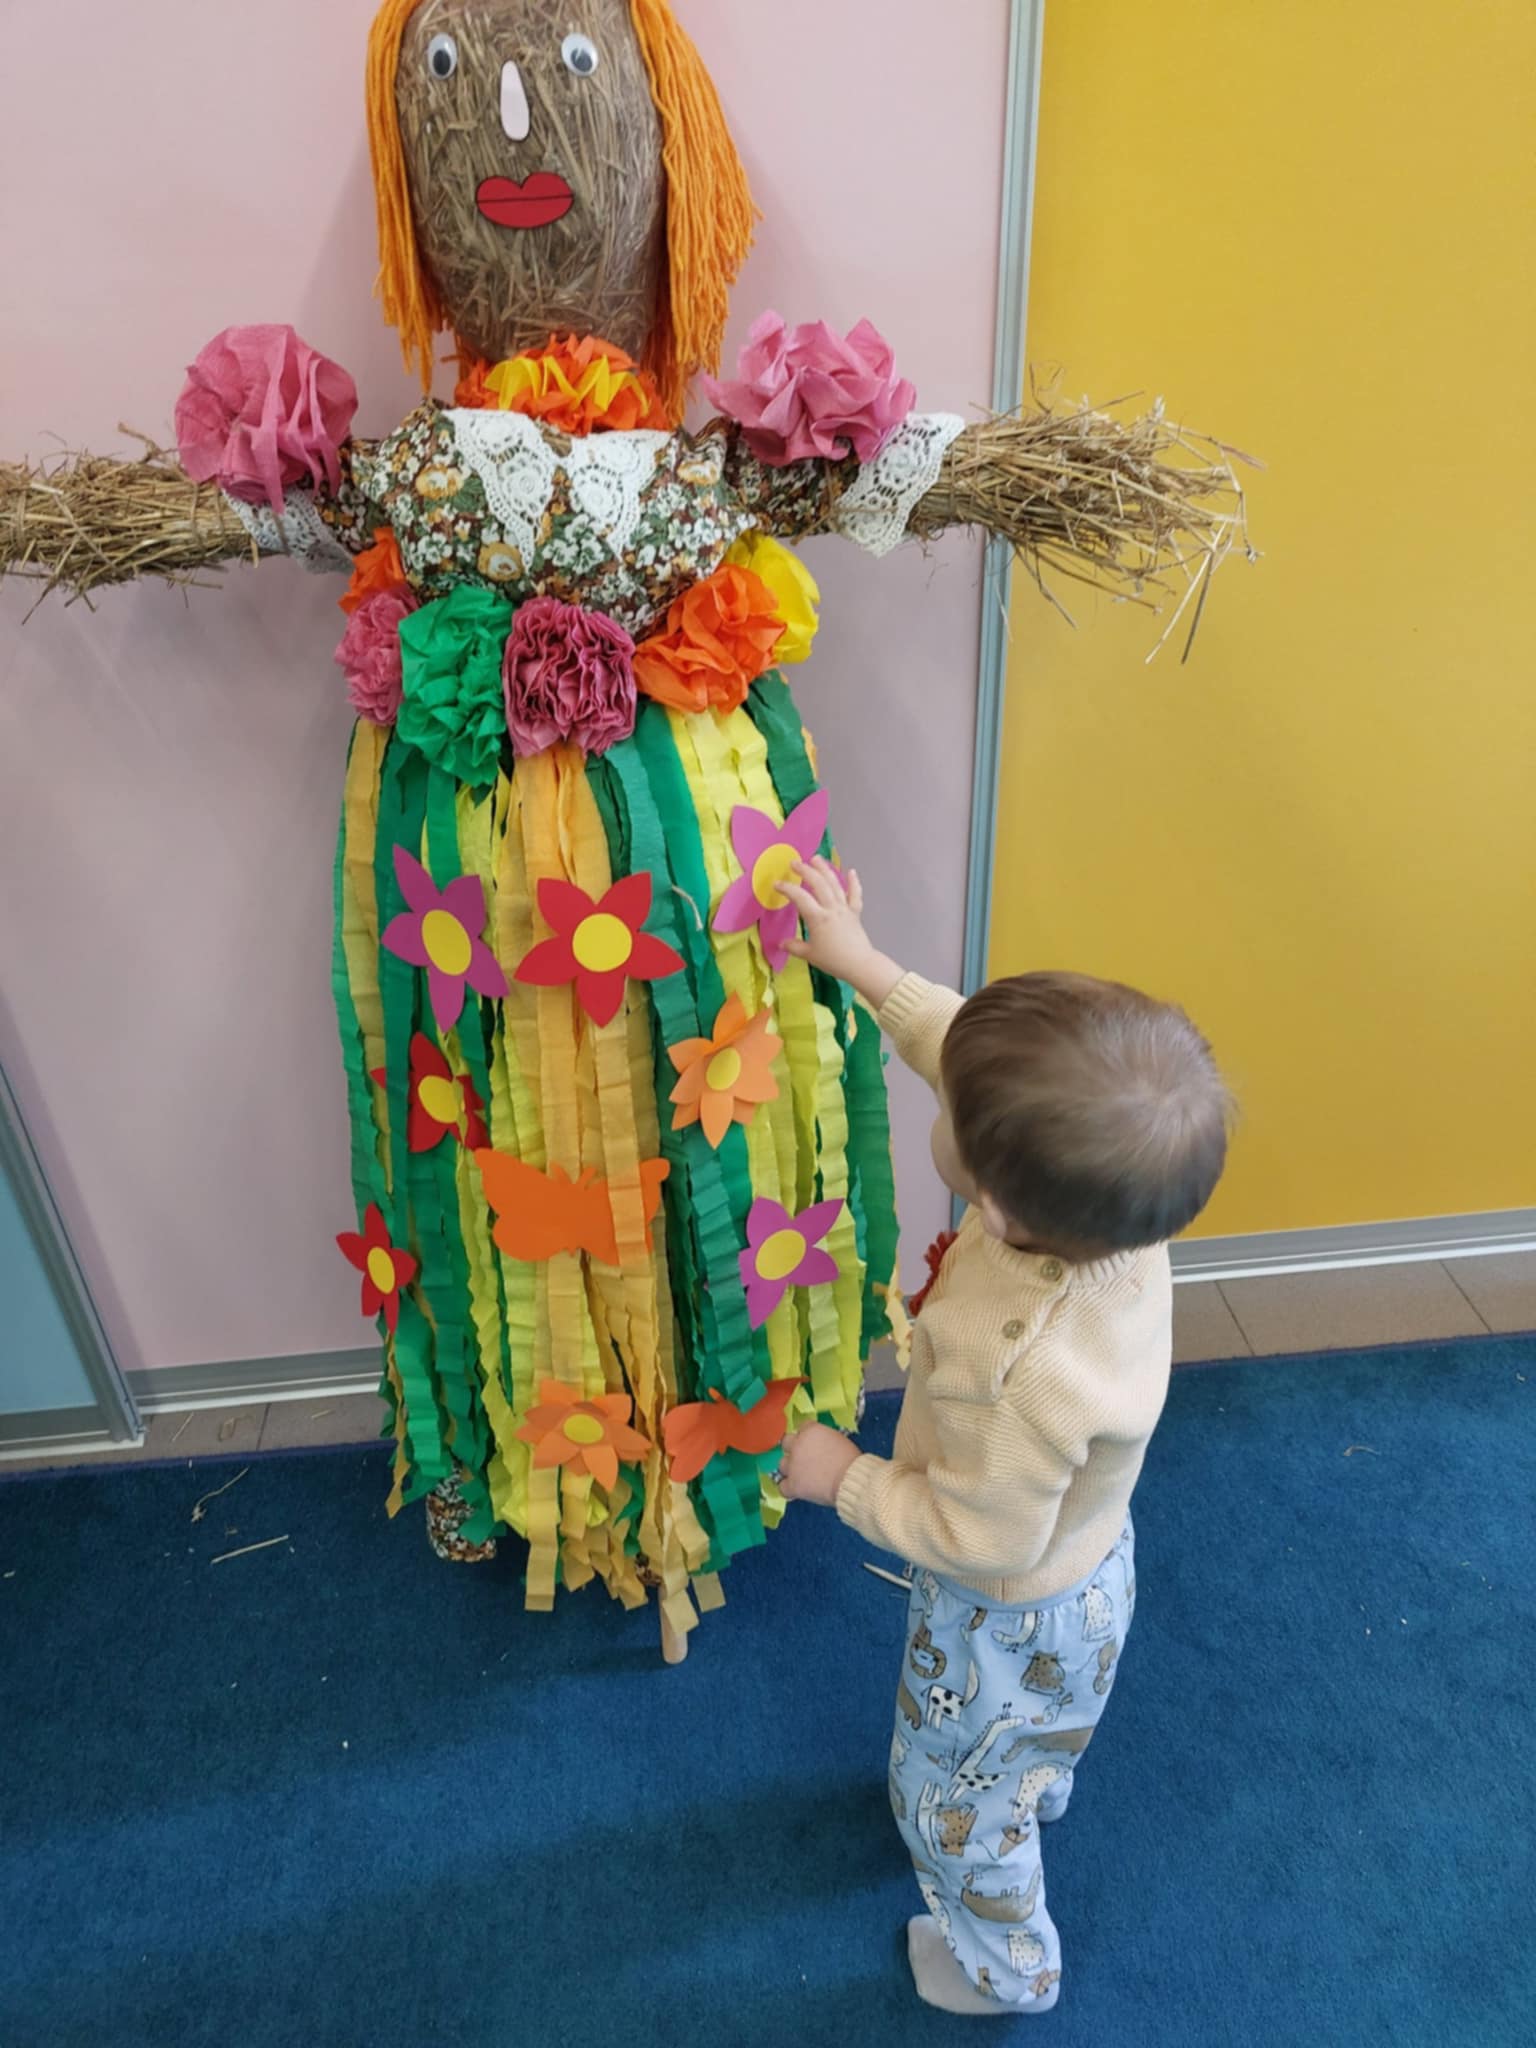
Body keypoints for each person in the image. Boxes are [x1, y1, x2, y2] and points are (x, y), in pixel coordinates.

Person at [776, 856, 1232, 2016]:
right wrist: (866, 966)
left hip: (1005, 1605)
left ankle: (1005, 1965)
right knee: (1031, 1737)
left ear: (994, 1204)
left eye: (952, 1120)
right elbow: (968, 1055)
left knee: (947, 1800)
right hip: (1089, 1563)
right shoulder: (1114, 1199)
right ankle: (1032, 1768)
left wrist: (845, 1478)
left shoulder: (1019, 1371)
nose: (946, 1098)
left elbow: (979, 1534)